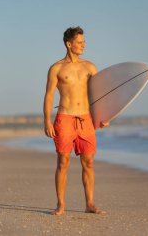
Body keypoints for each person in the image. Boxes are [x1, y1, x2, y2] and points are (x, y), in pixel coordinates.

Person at [43, 26, 108, 215]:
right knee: (63, 161)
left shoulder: (90, 67)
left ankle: (90, 204)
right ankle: (61, 204)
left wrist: (104, 116)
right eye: (80, 42)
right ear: (69, 44)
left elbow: (99, 95)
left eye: (84, 42)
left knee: (89, 162)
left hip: (85, 118)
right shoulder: (56, 68)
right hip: (64, 118)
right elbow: (48, 96)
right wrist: (47, 120)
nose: (83, 45)